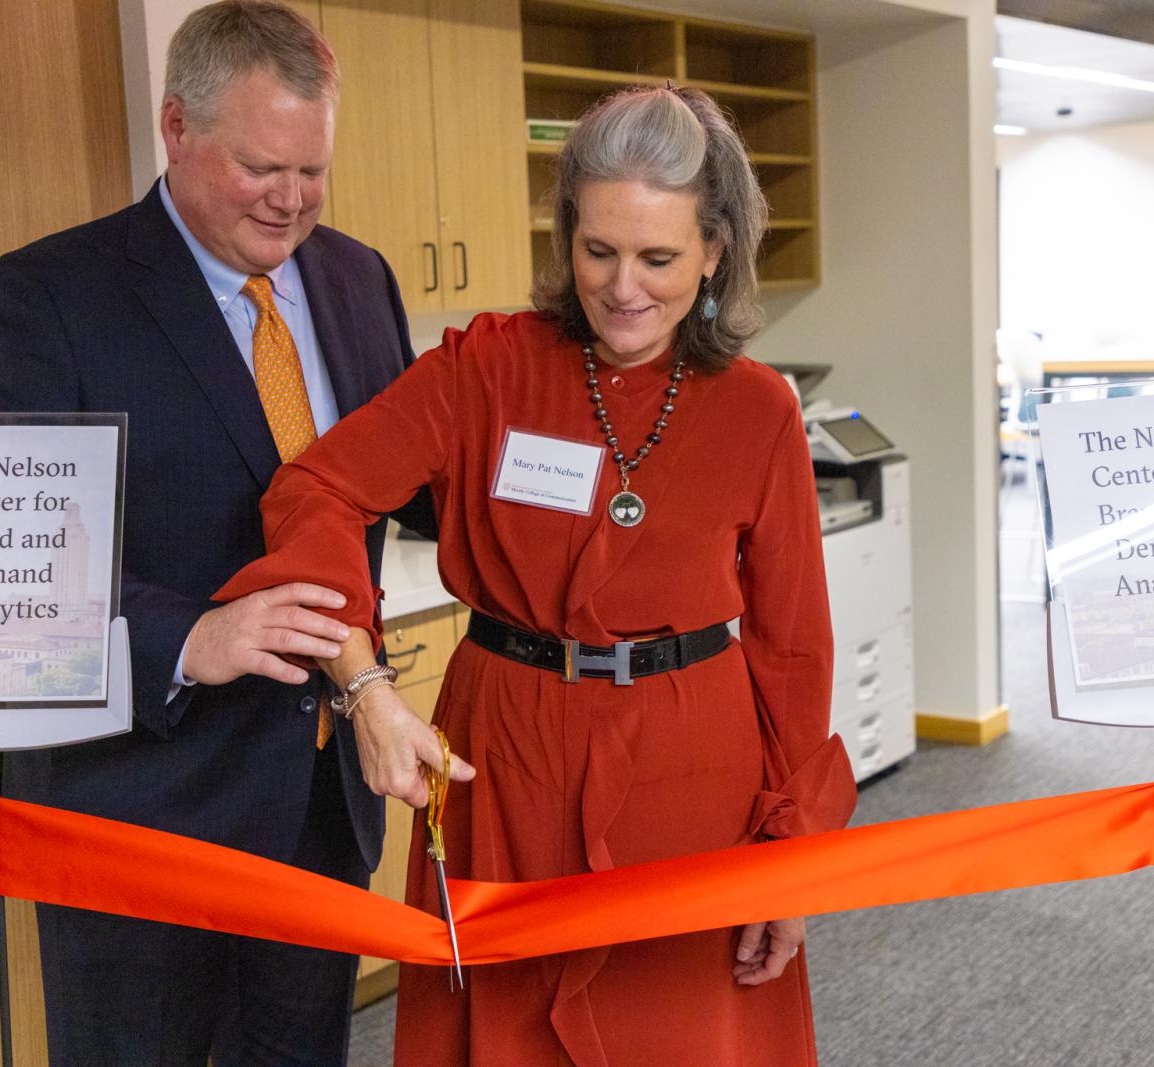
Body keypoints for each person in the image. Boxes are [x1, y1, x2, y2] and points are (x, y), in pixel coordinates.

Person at [216, 84, 857, 1064]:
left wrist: (792, 855)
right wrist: (367, 688)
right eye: (597, 251)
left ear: (716, 251)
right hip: (507, 756)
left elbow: (792, 647)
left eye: (659, 258)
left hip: (694, 773)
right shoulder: (487, 367)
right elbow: (313, 492)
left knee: (683, 1030)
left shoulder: (758, 407)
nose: (622, 287)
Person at [0, 2, 432, 1063]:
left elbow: (407, 486)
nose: (293, 200)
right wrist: (189, 639)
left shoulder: (356, 279)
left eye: (313, 171)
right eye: (263, 167)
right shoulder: (43, 300)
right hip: (138, 813)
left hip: (316, 801)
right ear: (176, 127)